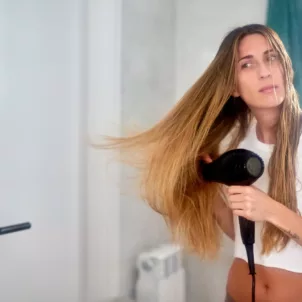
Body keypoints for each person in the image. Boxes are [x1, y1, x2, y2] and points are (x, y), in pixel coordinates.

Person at [100, 24, 302, 301]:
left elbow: (267, 214)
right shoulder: (239, 144)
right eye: (247, 64)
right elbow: (242, 238)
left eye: (271, 57)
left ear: (285, 66)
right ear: (232, 87)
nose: (264, 71)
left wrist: (270, 209)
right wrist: (213, 193)